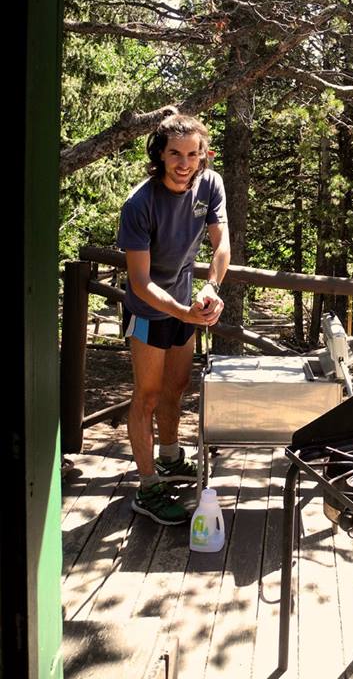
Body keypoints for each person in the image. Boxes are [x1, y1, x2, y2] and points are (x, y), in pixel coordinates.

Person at [118, 112, 230, 525]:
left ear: (204, 155)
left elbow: (222, 246)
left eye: (192, 154)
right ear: (160, 155)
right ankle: (147, 488)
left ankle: (168, 458)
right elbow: (141, 282)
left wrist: (211, 287)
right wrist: (183, 309)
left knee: (177, 386)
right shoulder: (140, 203)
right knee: (146, 396)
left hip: (187, 303)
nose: (184, 164)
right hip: (149, 309)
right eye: (175, 154)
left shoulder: (211, 184)